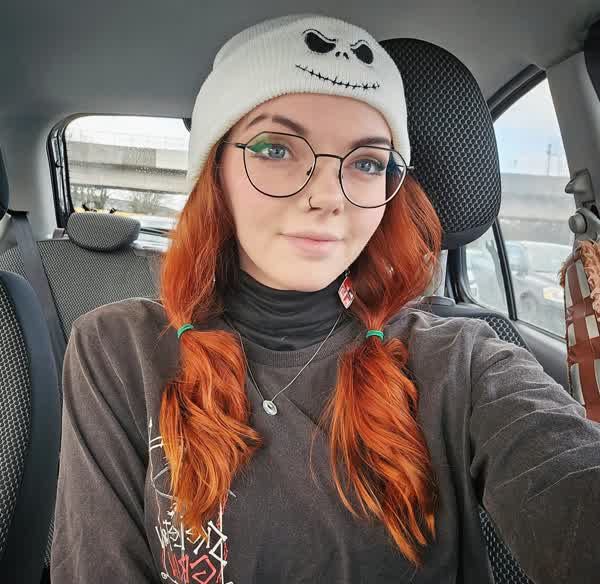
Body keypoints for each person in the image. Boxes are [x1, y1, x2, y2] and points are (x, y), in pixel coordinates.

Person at [50, 13, 600, 584]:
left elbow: (567, 473)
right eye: (276, 149)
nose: (328, 196)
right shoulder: (118, 350)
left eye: (366, 163)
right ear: (215, 171)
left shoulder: (461, 359)